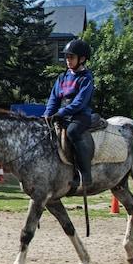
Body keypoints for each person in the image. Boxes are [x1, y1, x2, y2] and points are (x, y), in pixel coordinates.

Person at [43, 39, 96, 192]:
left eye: (71, 57)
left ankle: (84, 174)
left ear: (82, 59)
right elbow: (54, 98)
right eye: (67, 57)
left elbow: (80, 102)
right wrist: (48, 113)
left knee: (72, 132)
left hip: (80, 116)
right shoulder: (62, 77)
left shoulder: (86, 78)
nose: (68, 60)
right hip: (62, 115)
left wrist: (61, 112)